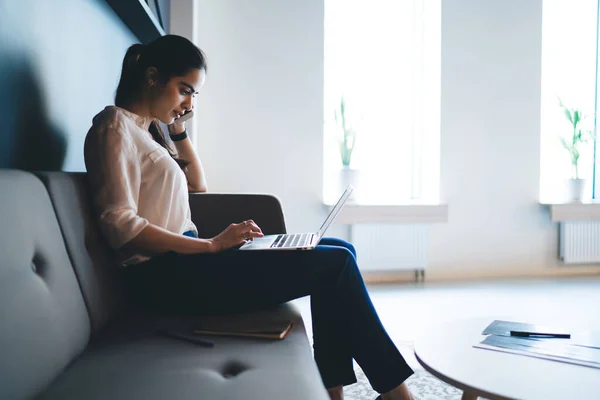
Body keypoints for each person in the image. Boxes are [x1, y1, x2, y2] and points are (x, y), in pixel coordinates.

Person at [83, 34, 414, 400]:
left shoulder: (145, 132)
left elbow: (197, 183)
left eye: (194, 95)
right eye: (184, 90)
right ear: (151, 77)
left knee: (339, 249)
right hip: (163, 277)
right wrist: (211, 246)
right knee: (334, 264)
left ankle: (332, 391)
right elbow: (120, 225)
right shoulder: (114, 126)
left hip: (183, 263)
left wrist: (176, 128)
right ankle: (396, 393)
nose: (189, 103)